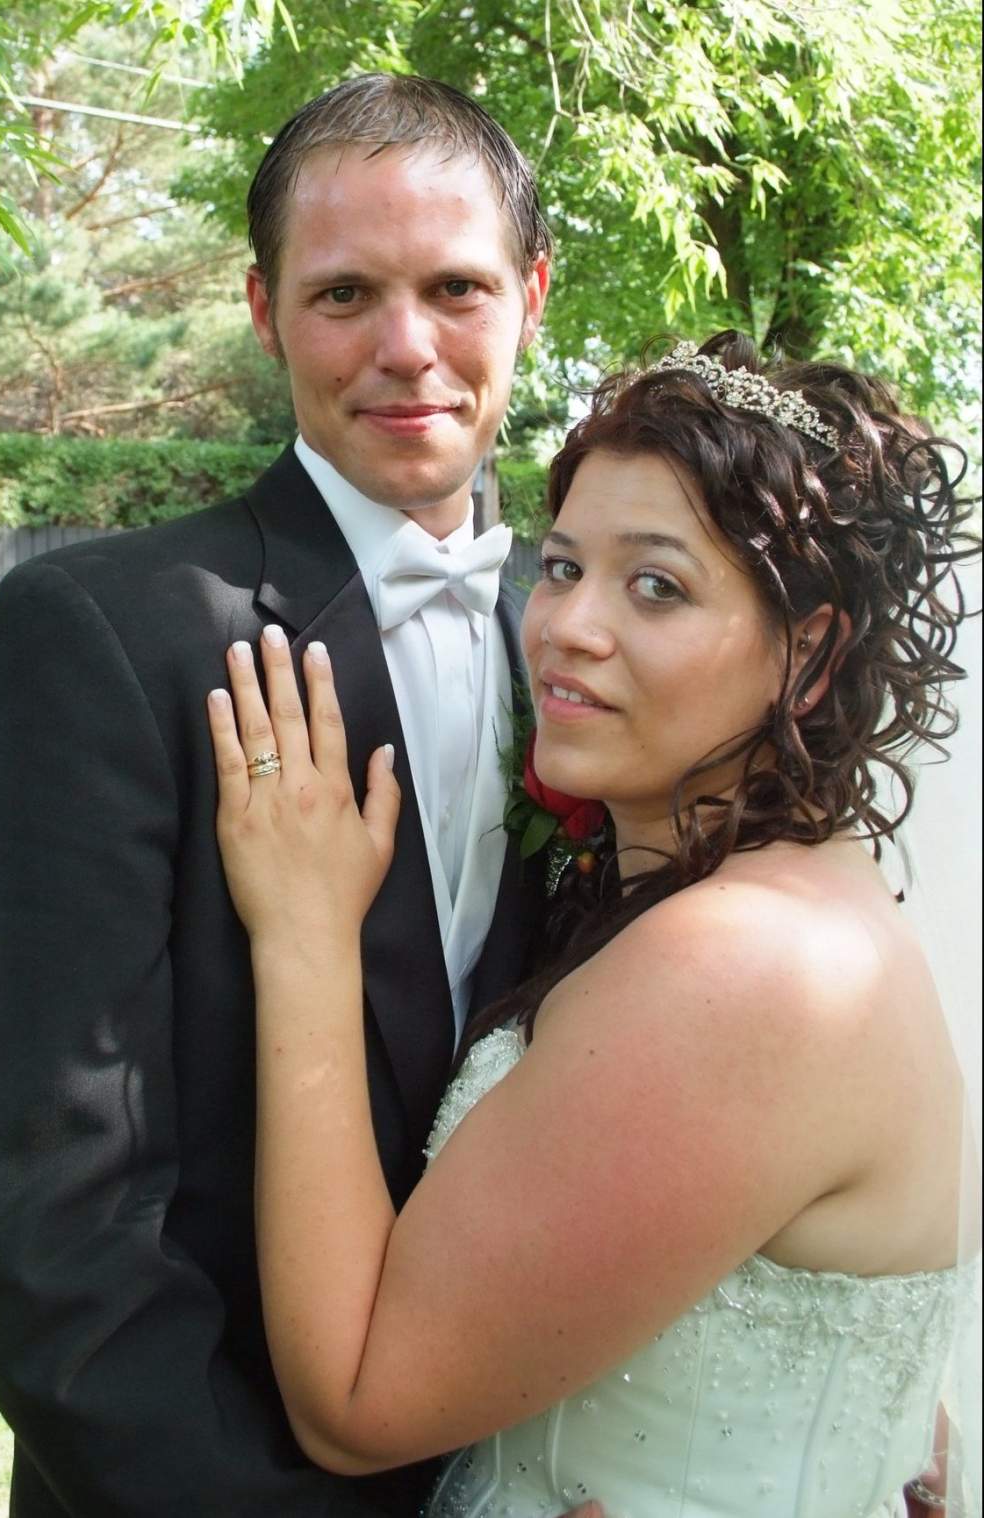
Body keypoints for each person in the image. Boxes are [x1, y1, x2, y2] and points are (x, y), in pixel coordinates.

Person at [0, 75, 556, 1516]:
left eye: (455, 286)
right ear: (264, 310)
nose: (407, 348)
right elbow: (35, 1219)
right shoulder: (103, 634)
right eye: (343, 295)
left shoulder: (581, 653)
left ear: (531, 293)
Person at [206, 331, 980, 1518]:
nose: (568, 625)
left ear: (810, 656)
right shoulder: (789, 893)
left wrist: (307, 936)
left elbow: (358, 1400)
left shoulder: (745, 964)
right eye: (563, 568)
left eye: (657, 585)